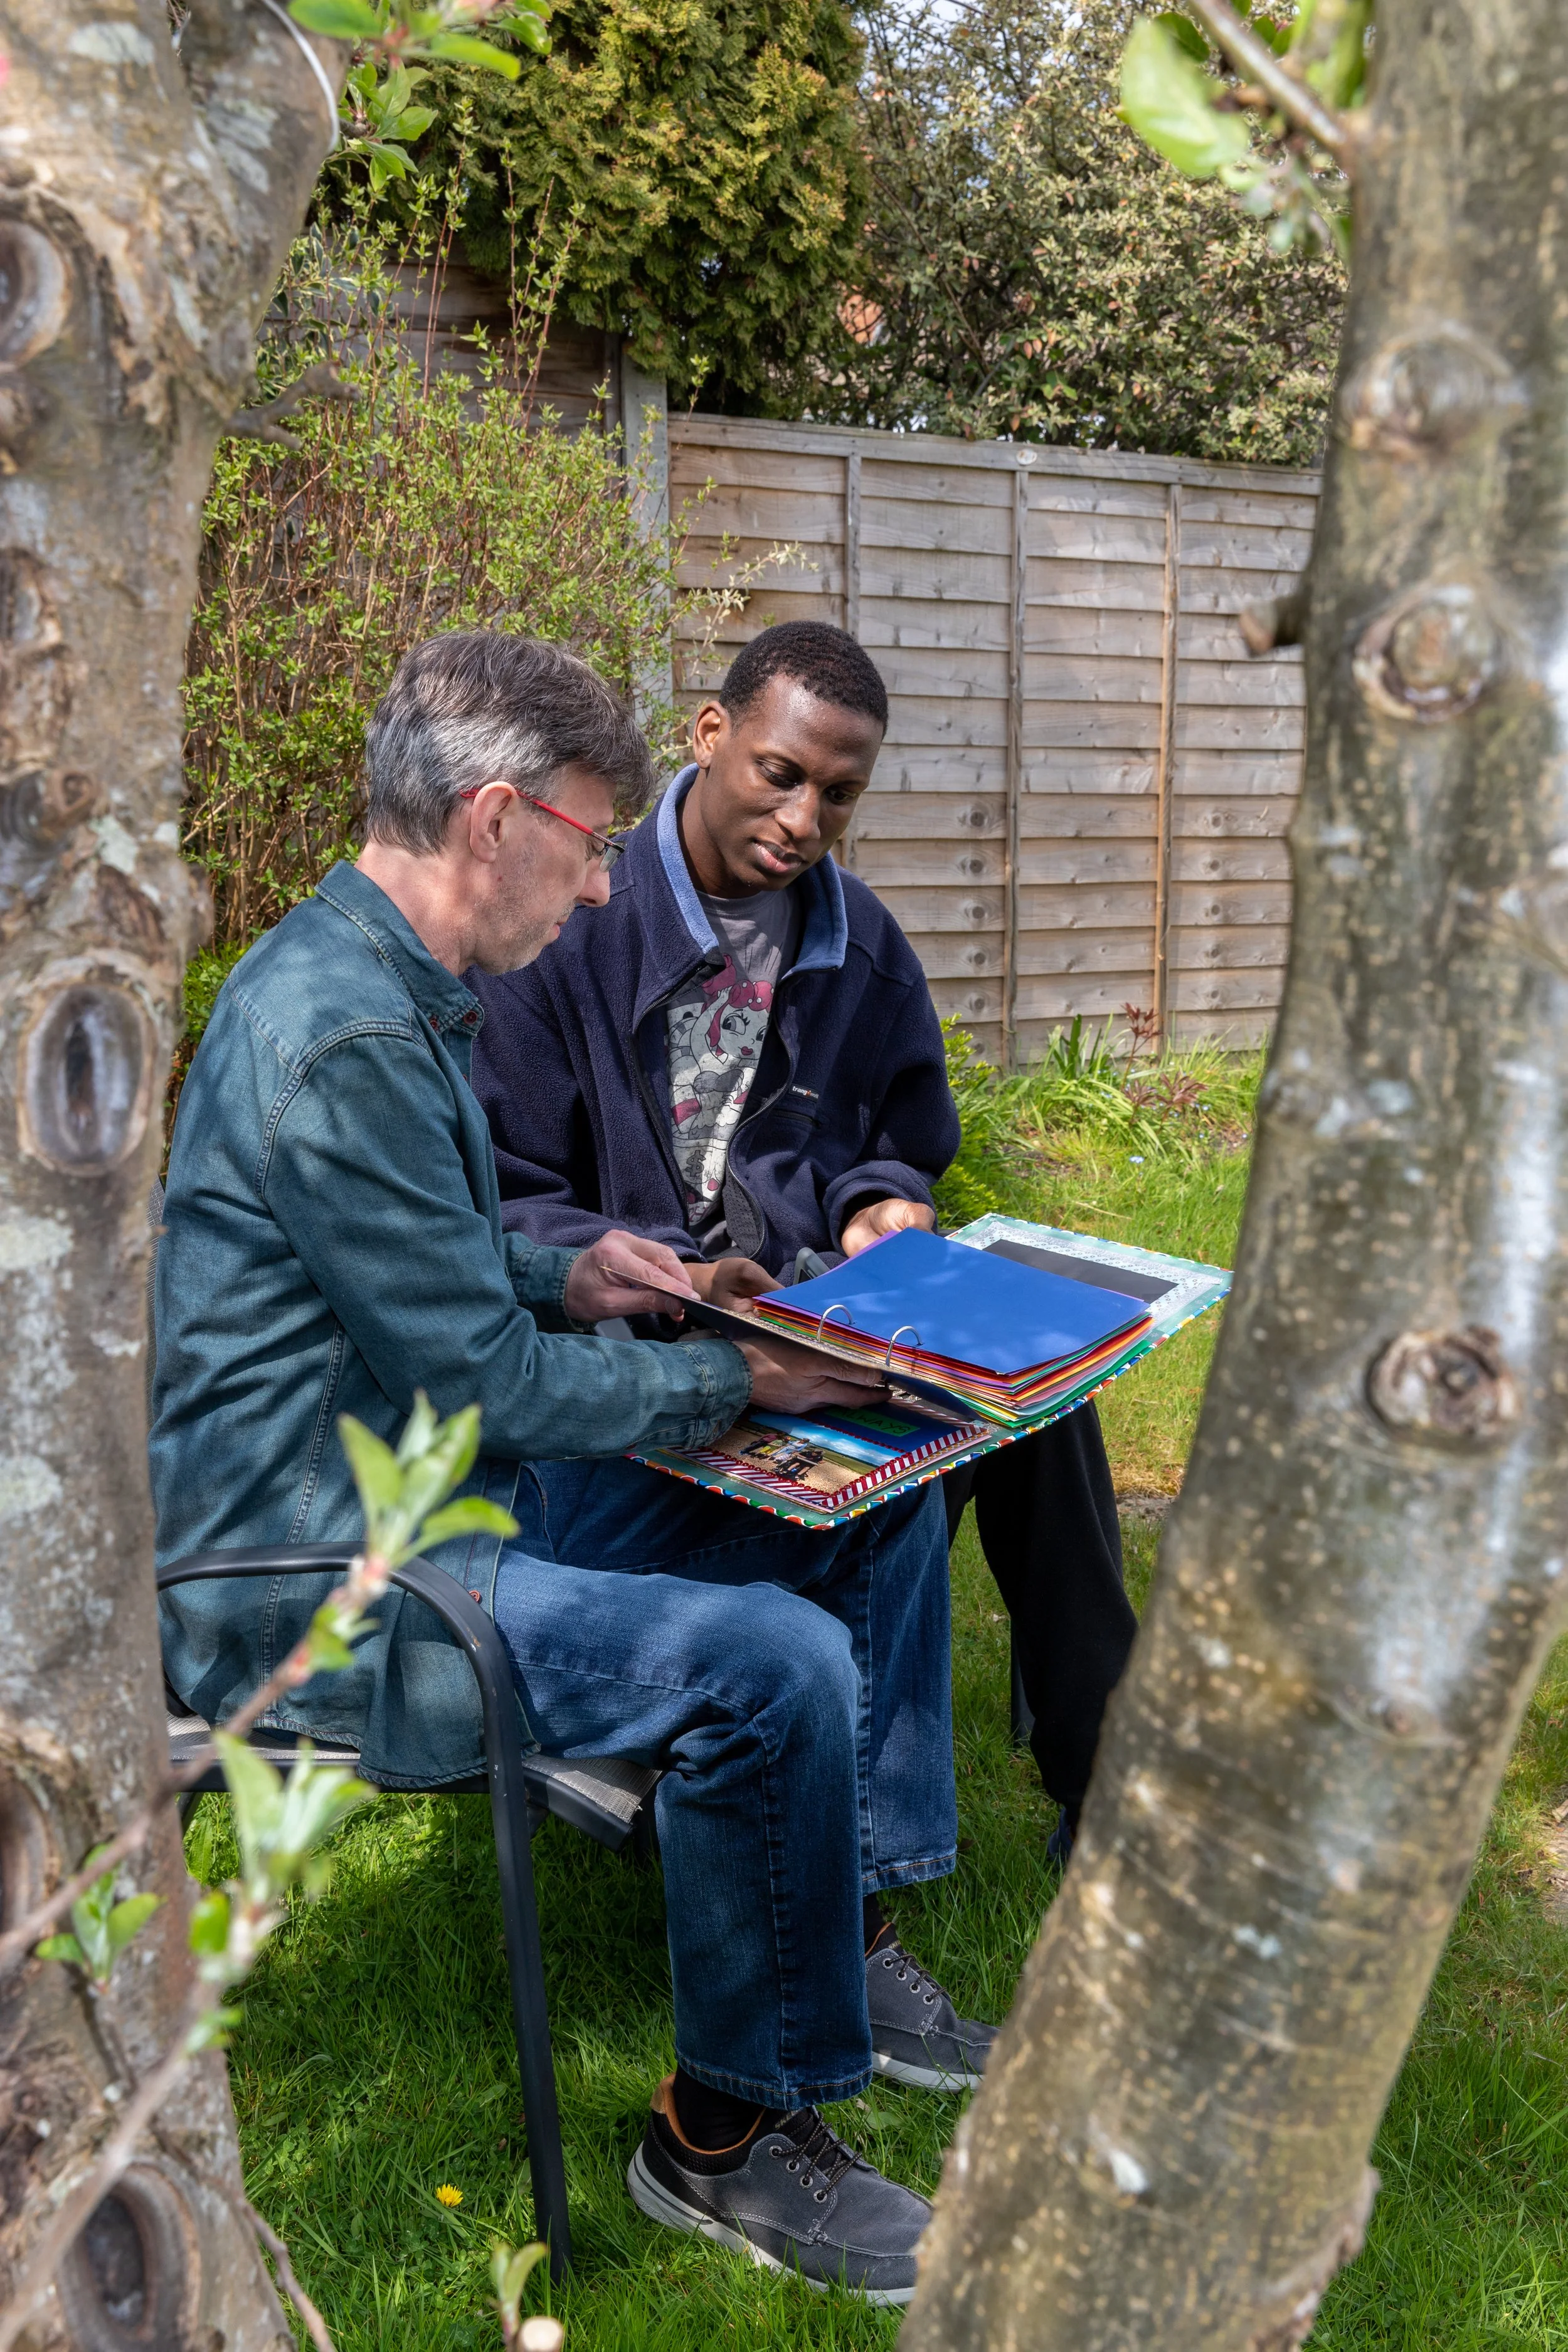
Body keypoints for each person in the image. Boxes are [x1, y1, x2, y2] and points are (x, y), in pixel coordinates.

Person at [151, 630, 993, 2306]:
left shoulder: (373, 984)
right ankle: (726, 2137)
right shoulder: (348, 1038)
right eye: (591, 839)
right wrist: (724, 1368)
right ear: (490, 818)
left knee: (844, 1499)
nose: (606, 886)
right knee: (770, 1658)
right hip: (317, 1581)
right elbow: (489, 1384)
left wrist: (593, 1269)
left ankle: (833, 1952)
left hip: (414, 1489)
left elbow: (445, 1284)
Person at [469, 621, 1137, 1862]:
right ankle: (804, 1834)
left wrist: (880, 1203)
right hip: (628, 1374)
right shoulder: (564, 922)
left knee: (1044, 1394)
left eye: (838, 793)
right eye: (780, 772)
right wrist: (670, 1288)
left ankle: (1105, 1785)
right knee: (892, 1470)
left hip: (816, 1323)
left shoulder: (859, 942)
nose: (802, 815)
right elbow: (506, 1203)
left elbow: (896, 1133)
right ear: (710, 735)